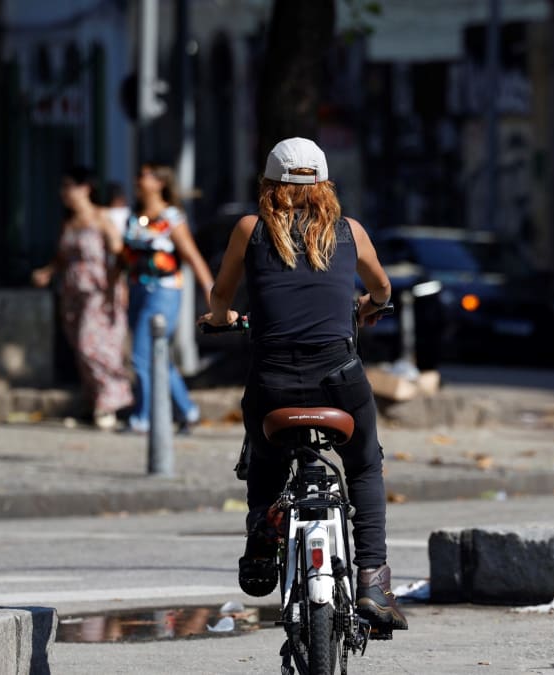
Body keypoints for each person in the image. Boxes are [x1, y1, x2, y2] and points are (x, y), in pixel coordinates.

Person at [202, 137, 407, 632]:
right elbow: (382, 287)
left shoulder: (249, 229)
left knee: (265, 454)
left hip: (272, 380)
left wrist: (221, 318)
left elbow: (220, 294)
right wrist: (368, 306)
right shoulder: (349, 231)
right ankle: (373, 581)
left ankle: (261, 534)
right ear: (324, 184)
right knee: (363, 466)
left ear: (269, 185)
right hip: (340, 380)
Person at [31, 167, 132, 431]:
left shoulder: (101, 218)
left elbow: (119, 252)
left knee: (93, 345)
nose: (64, 193)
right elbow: (62, 258)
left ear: (85, 188)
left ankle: (113, 398)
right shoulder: (69, 222)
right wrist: (47, 272)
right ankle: (95, 402)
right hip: (72, 291)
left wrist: (115, 283)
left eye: (69, 187)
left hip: (99, 291)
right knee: (79, 347)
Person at [123, 163, 214, 433]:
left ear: (160, 182)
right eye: (138, 174)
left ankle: (143, 418)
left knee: (142, 356)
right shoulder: (135, 215)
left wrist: (212, 293)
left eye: (146, 176)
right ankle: (188, 411)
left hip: (163, 291)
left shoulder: (171, 218)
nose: (139, 180)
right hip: (136, 289)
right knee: (158, 355)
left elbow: (192, 256)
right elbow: (125, 256)